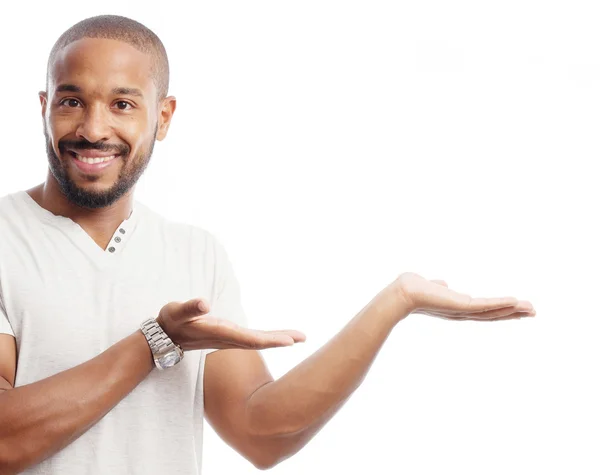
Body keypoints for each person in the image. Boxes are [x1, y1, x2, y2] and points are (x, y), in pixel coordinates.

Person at [0, 14, 536, 475]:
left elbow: (261, 432)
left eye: (122, 104)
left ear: (162, 118)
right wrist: (155, 342)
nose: (94, 129)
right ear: (44, 106)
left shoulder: (195, 254)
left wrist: (397, 302)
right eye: (72, 101)